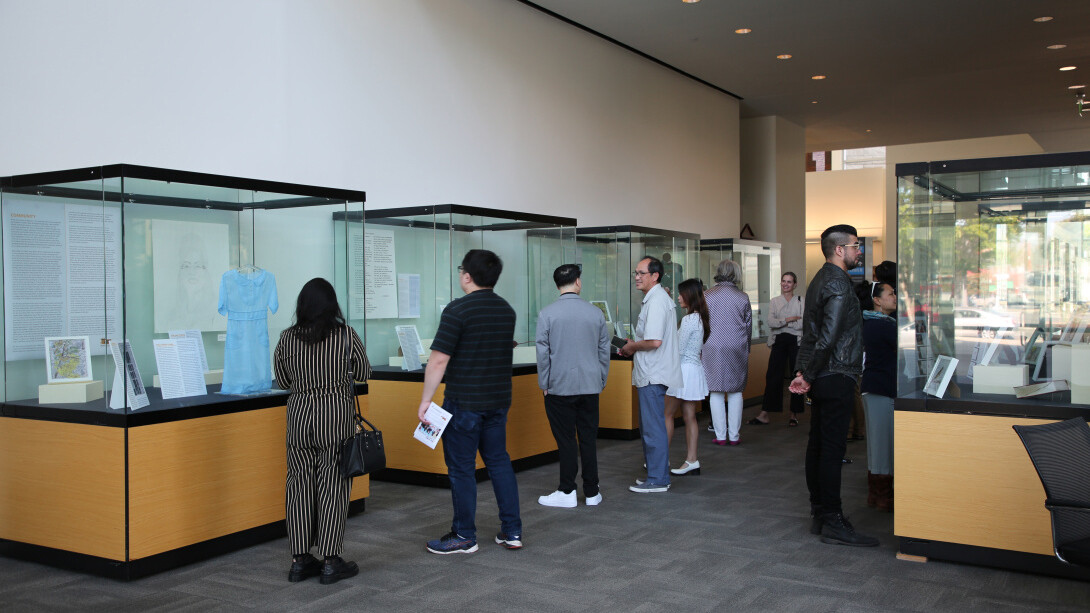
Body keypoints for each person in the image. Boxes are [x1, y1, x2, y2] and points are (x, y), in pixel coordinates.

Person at [417, 250, 522, 553]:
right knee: (499, 462)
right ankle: (512, 530)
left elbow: (437, 361)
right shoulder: (506, 310)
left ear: (467, 276)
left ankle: (464, 535)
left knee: (461, 469)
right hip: (498, 400)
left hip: (464, 402)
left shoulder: (457, 310)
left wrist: (426, 400)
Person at [273, 277, 369, 585]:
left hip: (299, 418)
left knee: (297, 485)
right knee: (333, 486)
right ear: (332, 304)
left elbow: (282, 381)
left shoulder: (287, 338)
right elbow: (365, 372)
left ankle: (300, 560)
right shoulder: (345, 335)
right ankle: (330, 560)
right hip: (334, 419)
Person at [789, 224, 879, 547]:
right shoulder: (839, 284)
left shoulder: (818, 280)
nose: (859, 251)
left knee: (819, 446)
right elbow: (826, 337)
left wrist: (803, 371)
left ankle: (820, 514)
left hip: (823, 374)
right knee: (831, 450)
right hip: (836, 374)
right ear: (839, 250)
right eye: (856, 246)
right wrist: (808, 374)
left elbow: (809, 334)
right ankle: (831, 518)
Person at [535, 264, 611, 507]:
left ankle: (567, 491)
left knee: (566, 440)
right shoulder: (595, 313)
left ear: (557, 285)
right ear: (578, 282)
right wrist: (601, 378)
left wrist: (544, 383)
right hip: (590, 386)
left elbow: (543, 353)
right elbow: (603, 351)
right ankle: (591, 491)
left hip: (559, 387)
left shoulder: (547, 314)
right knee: (588, 439)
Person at [619, 256, 682, 493]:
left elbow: (655, 341)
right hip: (651, 372)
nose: (637, 277)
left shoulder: (657, 301)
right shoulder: (655, 299)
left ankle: (658, 478)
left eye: (641, 273)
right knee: (651, 425)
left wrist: (632, 346)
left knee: (653, 427)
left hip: (653, 373)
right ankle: (656, 474)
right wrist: (633, 345)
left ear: (655, 276)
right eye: (635, 273)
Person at [701, 259, 752, 446]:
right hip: (736, 345)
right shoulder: (743, 297)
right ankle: (735, 436)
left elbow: (702, 323)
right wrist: (746, 349)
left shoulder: (707, 295)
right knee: (736, 391)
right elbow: (748, 327)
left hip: (712, 345)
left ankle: (721, 436)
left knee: (715, 390)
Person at [858, 281, 897, 511]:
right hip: (880, 389)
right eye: (890, 294)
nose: (894, 297)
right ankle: (882, 495)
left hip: (876, 388)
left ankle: (877, 494)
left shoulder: (876, 323)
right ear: (877, 300)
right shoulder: (881, 326)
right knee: (882, 444)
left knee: (878, 443)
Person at [665, 278, 710, 476]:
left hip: (682, 370)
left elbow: (678, 349)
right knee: (689, 416)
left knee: (665, 414)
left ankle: (660, 459)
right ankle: (692, 459)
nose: (678, 297)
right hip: (693, 370)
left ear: (689, 295)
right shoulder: (700, 318)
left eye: (681, 294)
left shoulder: (690, 319)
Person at [752, 272, 805, 426]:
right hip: (779, 340)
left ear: (795, 284)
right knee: (773, 376)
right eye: (783, 281)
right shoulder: (775, 301)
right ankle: (765, 413)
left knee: (797, 376)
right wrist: (789, 319)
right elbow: (771, 322)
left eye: (789, 282)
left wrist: (781, 322)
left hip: (796, 340)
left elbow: (802, 324)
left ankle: (793, 414)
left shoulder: (801, 301)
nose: (785, 284)